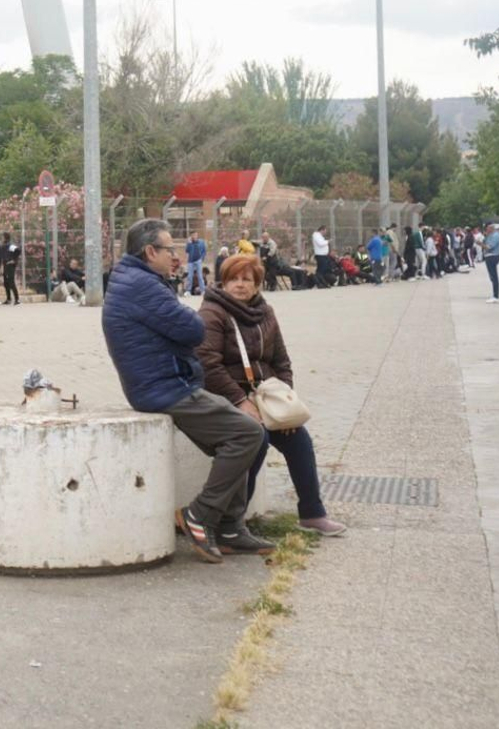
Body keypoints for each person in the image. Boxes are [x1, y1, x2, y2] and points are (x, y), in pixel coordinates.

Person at [101, 218, 268, 563]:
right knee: (247, 433)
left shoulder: (136, 279)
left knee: (243, 431)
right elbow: (194, 330)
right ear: (150, 252)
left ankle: (230, 529)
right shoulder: (142, 286)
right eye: (169, 249)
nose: (175, 255)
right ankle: (200, 515)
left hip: (165, 382)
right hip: (164, 388)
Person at [197, 255, 346, 542]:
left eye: (247, 279)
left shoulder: (265, 312)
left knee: (299, 439)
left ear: (257, 284)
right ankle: (233, 523)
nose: (240, 285)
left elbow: (282, 361)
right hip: (228, 397)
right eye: (233, 279)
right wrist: (241, 401)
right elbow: (207, 365)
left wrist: (284, 401)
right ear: (223, 282)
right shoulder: (212, 313)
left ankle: (312, 513)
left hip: (265, 396)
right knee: (257, 439)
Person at [483, 222, 499, 302]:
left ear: (491, 228)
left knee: (494, 276)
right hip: (489, 256)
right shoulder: (490, 235)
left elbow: (489, 247)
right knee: (492, 276)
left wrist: (480, 244)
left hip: (492, 256)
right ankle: (495, 295)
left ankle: (496, 296)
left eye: (487, 228)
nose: (486, 230)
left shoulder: (495, 236)